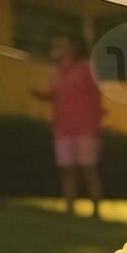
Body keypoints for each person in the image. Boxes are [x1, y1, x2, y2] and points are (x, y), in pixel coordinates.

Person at [30, 35, 105, 219]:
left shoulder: (86, 68)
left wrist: (97, 127)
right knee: (67, 170)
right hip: (63, 128)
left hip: (85, 128)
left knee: (88, 169)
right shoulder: (60, 71)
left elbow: (96, 98)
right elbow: (54, 95)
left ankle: (96, 211)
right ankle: (70, 209)